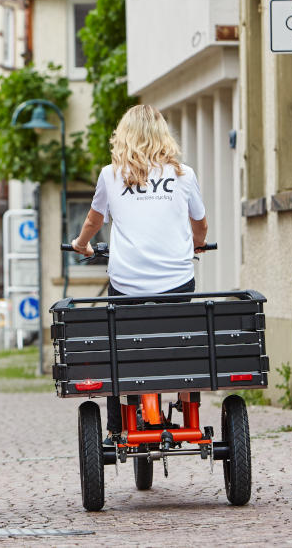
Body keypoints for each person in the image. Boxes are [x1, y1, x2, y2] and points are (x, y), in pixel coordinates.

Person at [69, 104, 208, 437]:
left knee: (122, 346)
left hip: (128, 285)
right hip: (177, 283)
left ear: (124, 136)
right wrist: (197, 245)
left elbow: (94, 220)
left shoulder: (110, 174)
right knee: (177, 337)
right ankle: (187, 395)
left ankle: (117, 425)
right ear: (163, 135)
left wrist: (81, 244)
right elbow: (199, 223)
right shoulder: (183, 174)